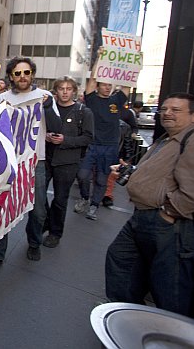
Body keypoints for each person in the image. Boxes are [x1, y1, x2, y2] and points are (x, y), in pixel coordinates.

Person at [105, 93, 194, 317]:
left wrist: (168, 213)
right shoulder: (166, 139)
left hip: (168, 224)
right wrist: (132, 171)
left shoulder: (190, 140)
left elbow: (191, 191)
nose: (167, 114)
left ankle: (171, 332)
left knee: (170, 286)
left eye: (176, 110)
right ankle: (125, 315)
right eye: (164, 109)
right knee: (121, 261)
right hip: (143, 218)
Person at [0, 57, 60, 272]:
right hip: (9, 162)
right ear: (11, 77)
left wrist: (46, 108)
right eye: (17, 73)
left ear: (32, 74)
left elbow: (57, 126)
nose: (22, 77)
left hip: (36, 162)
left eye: (26, 72)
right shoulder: (2, 99)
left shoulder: (45, 97)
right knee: (3, 207)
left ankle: (34, 243)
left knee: (38, 209)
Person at [43, 76, 94, 248]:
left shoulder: (83, 112)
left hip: (68, 163)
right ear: (55, 91)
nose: (65, 92)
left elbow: (87, 138)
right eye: (61, 88)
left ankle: (55, 233)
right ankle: (47, 220)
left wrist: (65, 140)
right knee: (38, 195)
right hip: (46, 159)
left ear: (74, 91)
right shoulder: (48, 108)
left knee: (60, 199)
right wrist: (46, 136)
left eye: (68, 88)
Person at [74, 72, 129, 221]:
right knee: (82, 175)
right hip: (91, 145)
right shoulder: (92, 99)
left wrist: (132, 64)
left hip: (109, 147)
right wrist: (99, 58)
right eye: (104, 84)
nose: (107, 87)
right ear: (98, 86)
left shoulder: (116, 100)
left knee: (101, 180)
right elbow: (91, 80)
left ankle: (94, 206)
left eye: (109, 85)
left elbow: (127, 84)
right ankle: (85, 198)